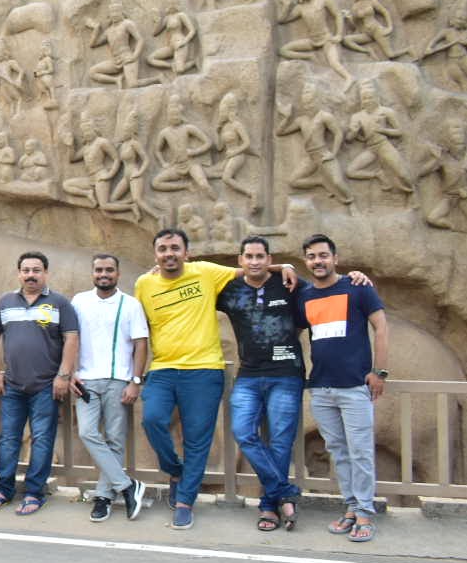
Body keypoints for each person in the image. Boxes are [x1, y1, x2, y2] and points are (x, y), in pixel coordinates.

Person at [135, 227, 250, 530]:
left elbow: (250, 269)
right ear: (155, 254)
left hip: (204, 369)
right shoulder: (144, 284)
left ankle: (185, 501)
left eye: (175, 248)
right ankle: (175, 470)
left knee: (197, 440)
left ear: (187, 252)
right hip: (162, 369)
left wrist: (285, 267)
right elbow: (138, 329)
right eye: (163, 249)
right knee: (152, 420)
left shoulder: (206, 272)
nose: (169, 254)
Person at [297, 234, 389, 544]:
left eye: (323, 255)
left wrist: (380, 371)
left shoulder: (358, 287)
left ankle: (364, 512)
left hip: (353, 387)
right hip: (321, 388)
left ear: (335, 258)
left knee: (360, 451)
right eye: (311, 257)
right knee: (338, 451)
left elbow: (381, 327)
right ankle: (351, 508)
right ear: (306, 262)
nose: (317, 261)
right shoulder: (306, 296)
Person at [217, 237, 305, 532]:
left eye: (260, 256)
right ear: (240, 260)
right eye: (249, 256)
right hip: (249, 375)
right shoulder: (229, 290)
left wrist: (286, 267)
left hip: (287, 374)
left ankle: (269, 506)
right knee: (243, 432)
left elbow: (323, 285)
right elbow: (200, 279)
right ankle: (285, 493)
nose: (254, 261)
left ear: (269, 258)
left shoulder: (289, 283)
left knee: (281, 440)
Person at [0, 251, 78, 516]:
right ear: (19, 273)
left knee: (42, 439)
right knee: (8, 439)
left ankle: (35, 493)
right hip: (12, 385)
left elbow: (71, 338)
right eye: (26, 270)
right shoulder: (5, 302)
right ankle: (3, 489)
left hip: (46, 386)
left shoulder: (59, 303)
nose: (31, 275)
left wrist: (64, 375)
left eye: (36, 270)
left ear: (45, 273)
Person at [69, 253, 148, 522]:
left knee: (115, 439)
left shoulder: (131, 304)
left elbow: (140, 344)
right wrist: (69, 374)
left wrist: (135, 381)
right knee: (87, 431)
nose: (104, 274)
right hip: (86, 380)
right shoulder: (79, 301)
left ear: (118, 273)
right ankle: (127, 486)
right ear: (92, 273)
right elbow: (71, 338)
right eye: (99, 270)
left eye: (109, 270)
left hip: (118, 380)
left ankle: (103, 496)